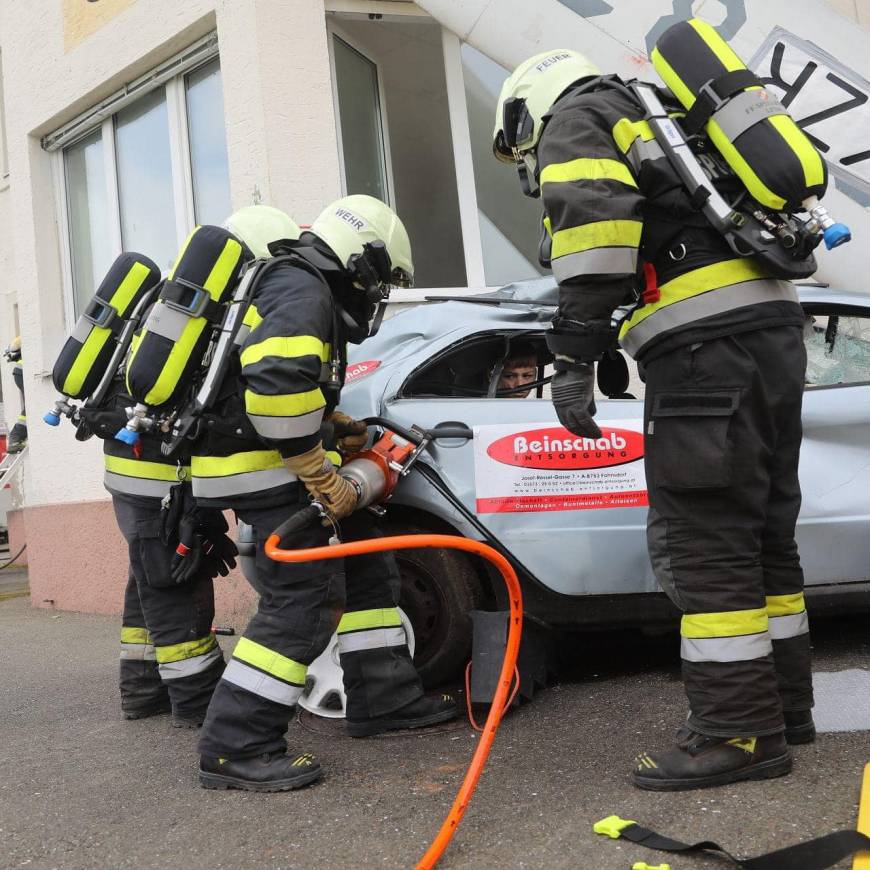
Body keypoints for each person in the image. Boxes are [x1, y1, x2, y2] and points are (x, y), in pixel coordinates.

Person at [493, 50, 812, 791]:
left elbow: (594, 238)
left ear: (528, 107)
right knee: (763, 531)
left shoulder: (577, 116)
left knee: (706, 537)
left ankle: (737, 733)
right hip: (770, 333)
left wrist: (571, 357)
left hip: (706, 354)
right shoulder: (657, 115)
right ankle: (785, 709)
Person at [192, 197, 457, 792]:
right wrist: (321, 474)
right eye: (382, 280)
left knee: (367, 562)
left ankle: (383, 698)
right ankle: (235, 745)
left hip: (262, 459)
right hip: (265, 470)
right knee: (304, 601)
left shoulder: (293, 286)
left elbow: (277, 382)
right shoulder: (301, 287)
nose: (378, 295)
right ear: (362, 260)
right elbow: (276, 389)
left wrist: (333, 425)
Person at [76, 372, 236, 726]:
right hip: (163, 472)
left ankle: (144, 691)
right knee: (174, 583)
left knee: (148, 571)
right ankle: (198, 702)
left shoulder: (152, 330)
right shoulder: (223, 324)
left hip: (130, 461)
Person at [4, 336, 27, 453]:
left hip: (20, 374)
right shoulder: (23, 338)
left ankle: (16, 438)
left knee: (28, 409)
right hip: (22, 374)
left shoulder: (20, 338)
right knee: (29, 409)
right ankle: (15, 438)